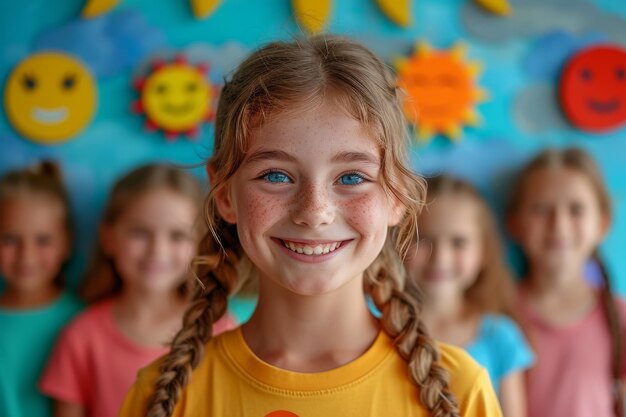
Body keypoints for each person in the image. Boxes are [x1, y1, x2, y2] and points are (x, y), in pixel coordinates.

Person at [119, 35, 502, 417]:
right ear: (224, 194)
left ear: (397, 197)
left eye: (351, 178)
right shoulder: (167, 396)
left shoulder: (460, 391)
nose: (314, 212)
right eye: (276, 175)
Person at [39, 164, 236, 417]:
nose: (158, 250)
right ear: (109, 238)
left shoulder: (219, 330)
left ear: (199, 242)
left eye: (177, 236)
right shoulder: (81, 338)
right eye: (140, 232)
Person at [507, 147, 626, 417]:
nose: (559, 225)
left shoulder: (620, 317)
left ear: (602, 224)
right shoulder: (497, 314)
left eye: (576, 209)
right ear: (514, 223)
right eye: (541, 209)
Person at [405, 174, 534, 417]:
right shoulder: (373, 325)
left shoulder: (500, 336)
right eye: (423, 239)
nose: (440, 258)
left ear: (483, 252)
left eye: (458, 242)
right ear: (399, 242)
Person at [0, 161, 82, 417]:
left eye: (43, 240)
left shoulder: (82, 321)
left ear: (66, 243)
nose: (27, 256)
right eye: (11, 239)